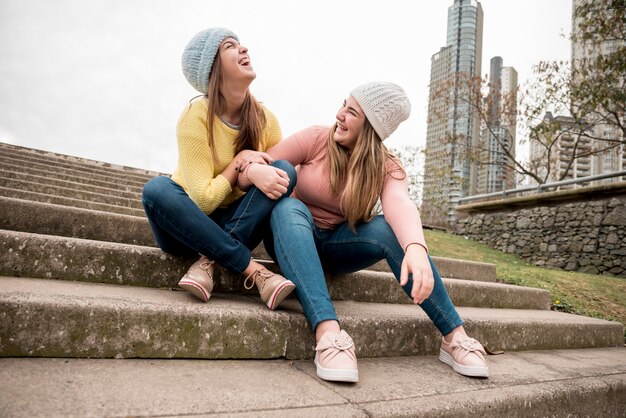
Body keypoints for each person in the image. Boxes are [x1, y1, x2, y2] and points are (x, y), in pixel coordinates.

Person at [254, 81, 488, 382]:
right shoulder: (316, 139)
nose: (340, 115)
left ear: (371, 128)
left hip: (336, 246)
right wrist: (252, 168)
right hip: (290, 237)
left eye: (352, 112)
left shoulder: (386, 166)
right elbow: (264, 162)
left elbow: (398, 203)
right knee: (288, 208)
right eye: (343, 105)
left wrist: (416, 247)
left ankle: (454, 336)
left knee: (384, 227)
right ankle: (328, 334)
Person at [142, 27, 297, 310]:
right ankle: (254, 271)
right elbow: (203, 200)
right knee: (156, 190)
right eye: (230, 46)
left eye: (240, 44)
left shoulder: (266, 120)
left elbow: (274, 180)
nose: (244, 49)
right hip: (186, 227)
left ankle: (209, 261)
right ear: (212, 67)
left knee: (284, 169)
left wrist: (250, 172)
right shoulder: (195, 116)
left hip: (236, 222)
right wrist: (239, 164)